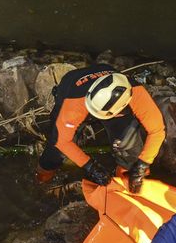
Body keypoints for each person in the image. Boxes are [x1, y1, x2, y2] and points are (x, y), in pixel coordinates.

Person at [36, 64, 166, 192]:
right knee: (55, 149)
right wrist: (90, 167)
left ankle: (126, 186)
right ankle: (42, 179)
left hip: (115, 104)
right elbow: (62, 141)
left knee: (128, 148)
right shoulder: (74, 104)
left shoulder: (137, 93)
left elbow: (157, 131)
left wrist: (142, 164)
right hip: (75, 89)